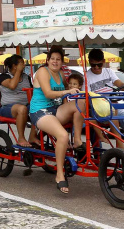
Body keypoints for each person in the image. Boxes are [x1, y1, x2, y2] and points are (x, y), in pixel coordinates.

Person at [29, 45, 84, 196]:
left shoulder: (60, 74)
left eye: (58, 59)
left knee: (81, 103)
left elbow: (66, 98)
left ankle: (78, 140)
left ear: (62, 62)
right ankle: (60, 174)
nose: (55, 61)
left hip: (55, 110)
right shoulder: (42, 71)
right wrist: (67, 91)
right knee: (63, 136)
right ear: (47, 60)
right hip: (40, 111)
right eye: (52, 59)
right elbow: (47, 93)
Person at [85, 48, 124, 142]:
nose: (96, 67)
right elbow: (87, 98)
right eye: (93, 65)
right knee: (112, 112)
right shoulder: (86, 76)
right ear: (89, 62)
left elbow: (120, 84)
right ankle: (120, 144)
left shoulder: (109, 72)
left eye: (99, 65)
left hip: (115, 105)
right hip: (99, 110)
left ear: (103, 62)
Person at [0, 55, 37, 147]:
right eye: (21, 63)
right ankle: (21, 138)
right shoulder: (4, 76)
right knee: (22, 109)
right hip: (7, 108)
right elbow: (12, 85)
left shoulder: (26, 77)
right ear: (15, 66)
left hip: (26, 106)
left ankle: (32, 136)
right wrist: (18, 71)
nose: (24, 65)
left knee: (39, 107)